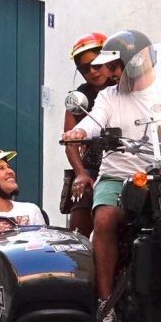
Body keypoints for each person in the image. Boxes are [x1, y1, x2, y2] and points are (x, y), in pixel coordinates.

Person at [62, 30, 161, 317]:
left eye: (114, 64)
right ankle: (105, 301)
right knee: (105, 218)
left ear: (133, 62)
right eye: (108, 66)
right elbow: (94, 121)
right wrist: (80, 131)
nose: (109, 72)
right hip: (120, 176)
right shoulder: (110, 96)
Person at [63, 32, 114, 235]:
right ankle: (78, 257)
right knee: (81, 206)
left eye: (97, 64)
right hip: (95, 165)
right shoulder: (78, 98)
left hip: (131, 163)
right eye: (85, 69)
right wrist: (81, 173)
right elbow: (69, 140)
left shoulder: (125, 88)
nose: (93, 72)